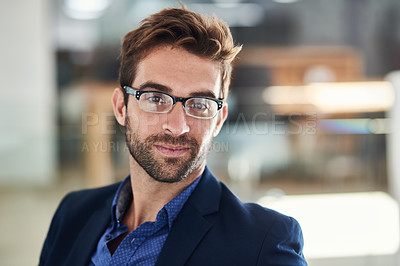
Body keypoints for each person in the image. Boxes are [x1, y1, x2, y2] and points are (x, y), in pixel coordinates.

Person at [39, 6, 307, 266]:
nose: (177, 127)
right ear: (121, 108)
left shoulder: (263, 242)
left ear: (219, 119)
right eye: (155, 98)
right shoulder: (72, 214)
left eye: (199, 104)